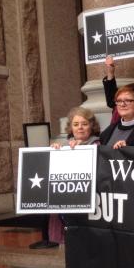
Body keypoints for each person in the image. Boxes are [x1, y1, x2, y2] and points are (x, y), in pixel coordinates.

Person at [46, 107, 102, 249]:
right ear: (70, 127)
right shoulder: (64, 146)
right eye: (76, 124)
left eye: (84, 124)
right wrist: (55, 152)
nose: (80, 128)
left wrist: (82, 149)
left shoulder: (99, 145)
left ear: (92, 126)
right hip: (65, 212)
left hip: (89, 210)